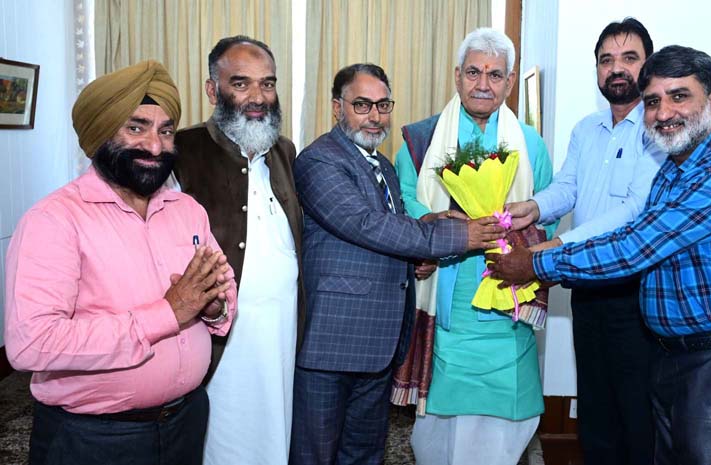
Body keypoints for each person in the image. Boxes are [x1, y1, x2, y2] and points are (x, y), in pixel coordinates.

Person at [491, 45, 711, 465]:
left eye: (679, 96)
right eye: (653, 101)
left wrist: (536, 263)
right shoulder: (674, 170)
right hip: (672, 356)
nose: (664, 113)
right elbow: (633, 233)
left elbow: (635, 247)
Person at [4, 60, 237, 465]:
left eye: (166, 131)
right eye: (136, 128)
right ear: (101, 134)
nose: (155, 146)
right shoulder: (54, 220)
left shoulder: (187, 210)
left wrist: (214, 307)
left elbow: (223, 286)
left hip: (186, 421)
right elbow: (32, 344)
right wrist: (168, 312)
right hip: (94, 438)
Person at [290, 63, 504, 465]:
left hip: (378, 343)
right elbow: (365, 225)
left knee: (365, 453)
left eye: (383, 105)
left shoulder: (383, 165)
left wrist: (427, 232)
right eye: (362, 105)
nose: (375, 116)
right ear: (337, 107)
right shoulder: (320, 160)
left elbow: (393, 227)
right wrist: (459, 236)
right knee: (315, 454)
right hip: (332, 344)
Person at [392, 28, 555, 465]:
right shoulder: (420, 141)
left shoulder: (531, 144)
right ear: (456, 76)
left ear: (510, 81)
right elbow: (405, 203)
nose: (483, 84)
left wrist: (509, 232)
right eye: (473, 72)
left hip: (507, 303)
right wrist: (442, 227)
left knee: (504, 424)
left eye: (495, 75)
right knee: (440, 429)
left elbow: (547, 213)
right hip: (444, 300)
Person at [504, 18, 664, 464]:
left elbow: (634, 210)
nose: (617, 68)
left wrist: (561, 246)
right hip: (588, 288)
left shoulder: (658, 131)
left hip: (635, 292)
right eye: (606, 60)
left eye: (629, 58)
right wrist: (531, 208)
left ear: (648, 65)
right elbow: (567, 188)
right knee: (594, 406)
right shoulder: (585, 129)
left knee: (636, 411)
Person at [173, 35, 302, 465]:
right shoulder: (182, 151)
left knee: (275, 433)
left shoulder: (284, 150)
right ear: (213, 91)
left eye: (268, 83)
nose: (258, 97)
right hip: (220, 339)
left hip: (281, 329)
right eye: (241, 83)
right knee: (224, 439)